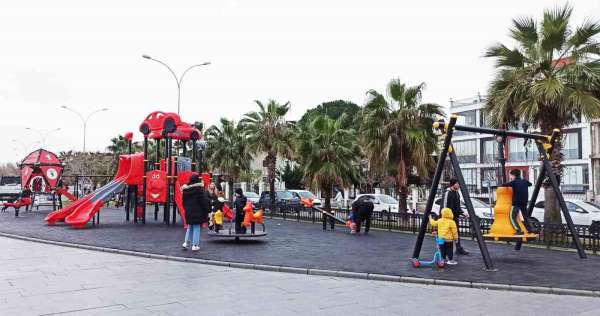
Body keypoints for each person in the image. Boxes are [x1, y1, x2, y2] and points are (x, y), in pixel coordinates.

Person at [181, 174, 210, 251]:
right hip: (198, 211)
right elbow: (203, 201)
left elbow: (183, 202)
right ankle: (195, 245)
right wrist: (207, 209)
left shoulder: (185, 190)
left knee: (190, 227)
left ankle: (186, 243)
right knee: (196, 227)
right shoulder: (199, 189)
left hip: (188, 211)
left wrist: (186, 209)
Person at [441, 178, 469, 255]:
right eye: (458, 184)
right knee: (445, 234)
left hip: (454, 217)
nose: (459, 185)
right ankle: (444, 250)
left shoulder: (457, 193)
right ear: (454, 184)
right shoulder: (447, 192)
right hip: (447, 219)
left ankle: (458, 248)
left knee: (456, 233)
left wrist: (463, 213)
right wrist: (444, 218)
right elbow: (444, 206)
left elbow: (457, 207)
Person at [505, 169, 534, 234]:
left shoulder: (513, 182)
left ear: (513, 175)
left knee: (512, 217)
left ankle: (518, 230)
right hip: (524, 202)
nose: (510, 177)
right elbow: (530, 184)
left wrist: (511, 181)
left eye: (511, 176)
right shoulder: (524, 181)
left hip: (516, 202)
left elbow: (504, 185)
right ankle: (530, 229)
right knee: (526, 217)